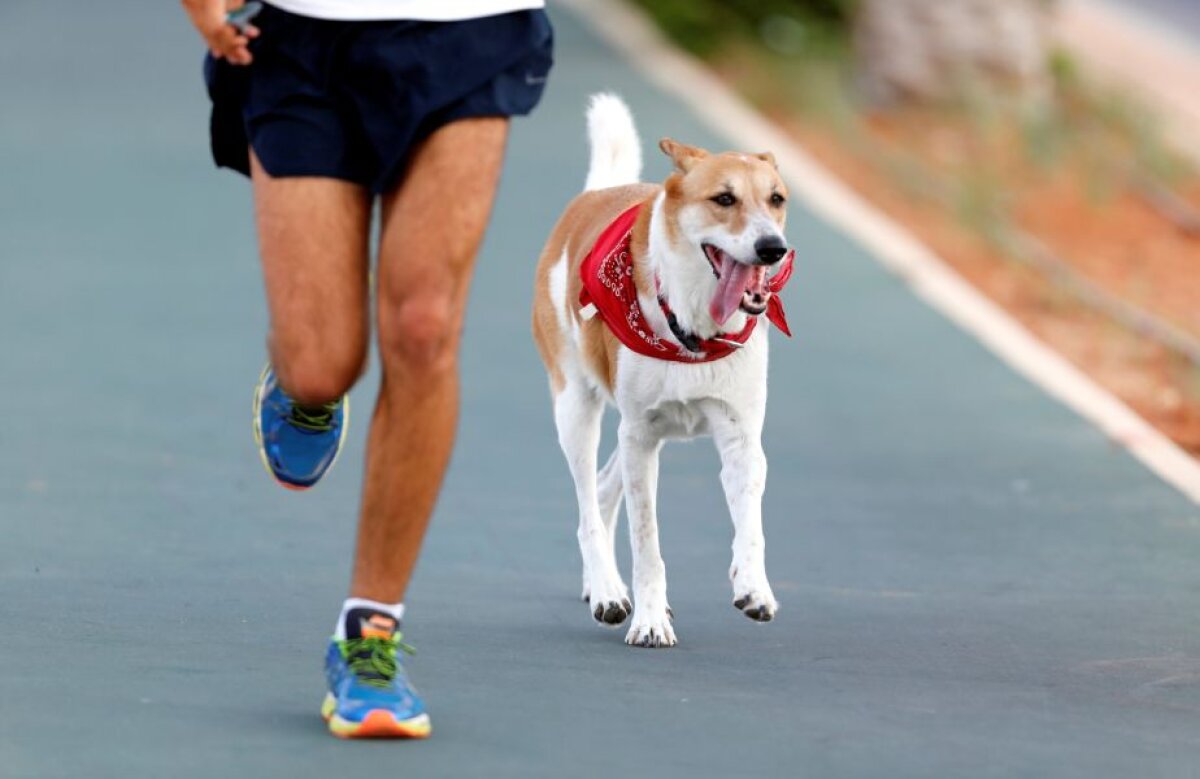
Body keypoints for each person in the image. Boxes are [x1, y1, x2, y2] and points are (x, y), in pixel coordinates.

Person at [181, 0, 553, 739]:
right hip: (303, 38)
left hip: (473, 29)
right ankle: (298, 381)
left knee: (424, 326)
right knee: (321, 363)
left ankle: (369, 633)